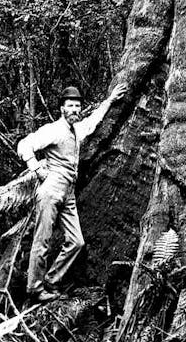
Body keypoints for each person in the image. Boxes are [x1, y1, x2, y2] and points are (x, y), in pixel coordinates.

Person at [17, 81, 126, 303]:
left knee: (77, 242)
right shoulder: (53, 130)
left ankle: (52, 280)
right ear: (62, 108)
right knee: (43, 240)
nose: (74, 110)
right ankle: (34, 289)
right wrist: (37, 169)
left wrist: (110, 100)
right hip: (51, 190)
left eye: (77, 106)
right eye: (70, 106)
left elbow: (94, 120)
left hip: (69, 193)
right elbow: (24, 145)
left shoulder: (77, 129)